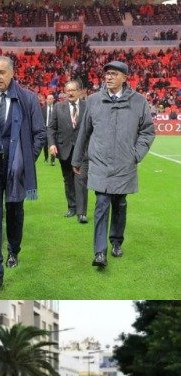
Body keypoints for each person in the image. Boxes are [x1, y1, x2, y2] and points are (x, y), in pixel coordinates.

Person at [0, 56, 46, 295]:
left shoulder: (28, 98)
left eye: (2, 72)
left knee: (14, 212)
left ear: (12, 73)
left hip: (16, 168)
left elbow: (40, 134)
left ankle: (14, 249)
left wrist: (26, 161)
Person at [72, 60, 155, 269]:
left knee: (120, 204)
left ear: (125, 78)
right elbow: (84, 132)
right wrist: (76, 159)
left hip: (125, 164)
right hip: (100, 163)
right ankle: (100, 252)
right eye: (107, 73)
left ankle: (116, 241)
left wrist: (136, 154)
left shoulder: (139, 102)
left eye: (114, 74)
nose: (109, 77)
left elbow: (147, 131)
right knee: (101, 203)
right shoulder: (93, 100)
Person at [47, 80, 88, 222]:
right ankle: (72, 207)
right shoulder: (58, 107)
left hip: (82, 150)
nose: (70, 93)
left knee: (81, 179)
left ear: (79, 91)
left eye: (73, 90)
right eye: (68, 90)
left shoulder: (87, 106)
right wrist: (52, 144)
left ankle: (81, 212)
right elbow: (51, 128)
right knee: (68, 180)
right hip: (64, 150)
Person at [43, 94, 56, 165]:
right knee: (45, 145)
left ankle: (52, 160)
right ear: (46, 100)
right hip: (45, 128)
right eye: (48, 99)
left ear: (53, 100)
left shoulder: (56, 109)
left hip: (53, 129)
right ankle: (46, 157)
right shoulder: (43, 109)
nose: (49, 100)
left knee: (53, 144)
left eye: (51, 99)